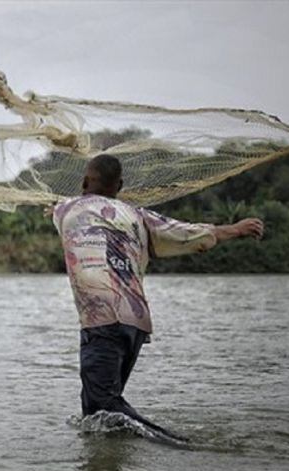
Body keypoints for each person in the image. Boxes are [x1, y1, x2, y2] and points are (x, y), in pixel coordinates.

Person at [51, 154, 264, 443]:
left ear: (85, 182)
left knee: (102, 408)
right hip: (134, 322)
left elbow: (54, 209)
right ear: (120, 186)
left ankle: (177, 444)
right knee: (101, 416)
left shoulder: (66, 209)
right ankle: (114, 466)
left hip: (103, 320)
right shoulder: (138, 216)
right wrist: (234, 229)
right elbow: (186, 233)